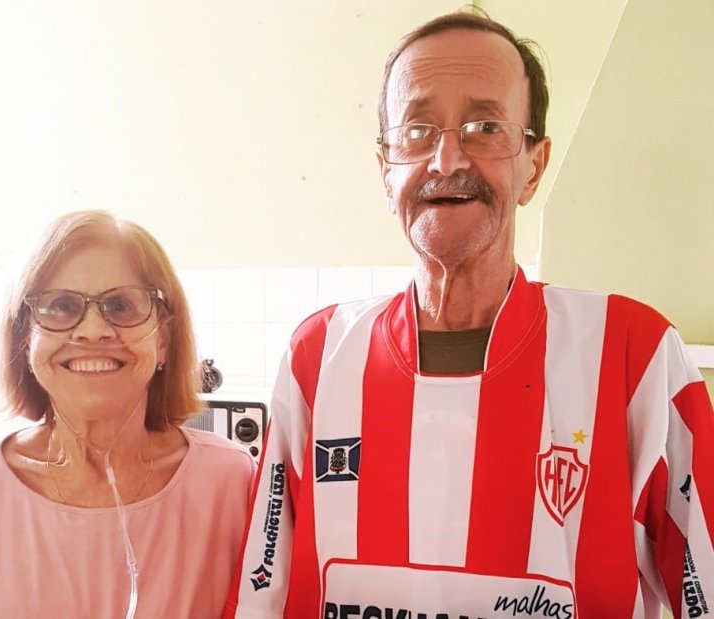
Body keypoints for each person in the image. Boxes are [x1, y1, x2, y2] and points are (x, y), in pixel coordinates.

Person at [223, 8, 714, 619]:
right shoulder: (315, 358)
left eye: (484, 127)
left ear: (534, 166)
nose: (447, 159)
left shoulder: (636, 357)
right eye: (417, 130)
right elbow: (260, 597)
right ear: (386, 172)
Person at [0, 210, 256, 618]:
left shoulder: (235, 484)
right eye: (60, 306)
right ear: (25, 338)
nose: (92, 330)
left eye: (121, 305)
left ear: (163, 338)